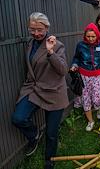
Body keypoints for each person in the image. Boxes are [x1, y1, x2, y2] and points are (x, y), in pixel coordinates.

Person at [11, 12, 69, 169]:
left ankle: (49, 160)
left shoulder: (57, 45)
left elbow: (63, 70)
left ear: (47, 28)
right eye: (32, 29)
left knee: (51, 133)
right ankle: (34, 135)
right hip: (34, 89)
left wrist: (50, 52)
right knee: (18, 118)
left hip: (54, 92)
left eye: (39, 30)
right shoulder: (30, 44)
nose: (36, 33)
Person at [70, 23, 100, 131]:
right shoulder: (80, 45)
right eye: (88, 36)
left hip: (97, 77)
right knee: (85, 99)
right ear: (85, 36)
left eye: (93, 36)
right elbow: (76, 58)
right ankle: (90, 121)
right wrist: (74, 65)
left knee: (97, 98)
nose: (91, 39)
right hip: (83, 77)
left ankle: (99, 107)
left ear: (97, 35)